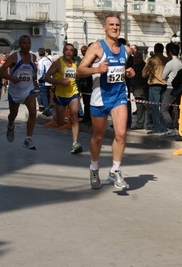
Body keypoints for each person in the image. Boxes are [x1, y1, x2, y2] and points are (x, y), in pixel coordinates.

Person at [77, 14, 135, 190]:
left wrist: (128, 73)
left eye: (118, 25)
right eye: (111, 24)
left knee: (121, 133)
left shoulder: (125, 50)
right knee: (98, 137)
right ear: (105, 27)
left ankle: (115, 170)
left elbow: (120, 71)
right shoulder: (96, 48)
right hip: (99, 98)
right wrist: (96, 69)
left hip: (118, 97)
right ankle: (94, 168)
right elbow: (79, 71)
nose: (115, 27)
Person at [0, 35, 38, 150]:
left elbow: (33, 71)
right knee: (13, 115)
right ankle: (10, 126)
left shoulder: (33, 57)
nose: (27, 45)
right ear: (20, 44)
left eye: (29, 43)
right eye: (24, 43)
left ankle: (28, 139)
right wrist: (12, 78)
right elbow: (0, 72)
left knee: (33, 113)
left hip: (28, 89)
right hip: (15, 91)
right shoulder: (14, 57)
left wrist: (34, 81)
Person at [44, 43, 83, 154]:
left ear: (73, 52)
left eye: (71, 50)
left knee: (75, 117)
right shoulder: (57, 64)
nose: (69, 52)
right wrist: (59, 82)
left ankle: (75, 143)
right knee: (60, 121)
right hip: (60, 95)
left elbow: (78, 77)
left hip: (73, 93)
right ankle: (53, 111)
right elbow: (46, 77)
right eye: (67, 50)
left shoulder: (76, 63)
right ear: (63, 51)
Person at [142, 43, 168, 134]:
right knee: (163, 107)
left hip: (154, 85)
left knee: (154, 106)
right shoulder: (166, 59)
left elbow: (144, 73)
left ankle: (156, 127)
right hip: (165, 85)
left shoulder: (152, 60)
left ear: (155, 49)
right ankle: (164, 127)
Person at [160, 42, 182, 137]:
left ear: (169, 52)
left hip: (170, 88)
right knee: (175, 108)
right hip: (179, 88)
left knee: (164, 108)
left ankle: (170, 128)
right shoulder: (181, 62)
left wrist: (168, 77)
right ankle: (176, 127)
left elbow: (163, 76)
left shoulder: (170, 63)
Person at [130, 52, 149, 130]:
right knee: (139, 108)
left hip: (144, 90)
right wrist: (131, 86)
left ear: (141, 58)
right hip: (136, 90)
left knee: (147, 108)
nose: (135, 59)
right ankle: (139, 124)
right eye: (134, 57)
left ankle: (149, 124)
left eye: (137, 57)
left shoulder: (145, 66)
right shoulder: (133, 67)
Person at [79, 45, 92, 125]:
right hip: (83, 84)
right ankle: (86, 117)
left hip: (89, 84)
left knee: (89, 102)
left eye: (84, 50)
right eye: (82, 51)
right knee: (85, 102)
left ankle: (90, 119)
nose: (83, 52)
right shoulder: (83, 60)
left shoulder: (90, 60)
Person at [36, 47, 52, 114]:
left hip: (44, 81)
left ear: (39, 53)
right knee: (48, 96)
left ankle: (46, 111)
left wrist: (38, 79)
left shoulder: (41, 61)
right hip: (50, 80)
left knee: (44, 96)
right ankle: (48, 109)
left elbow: (41, 71)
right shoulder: (48, 60)